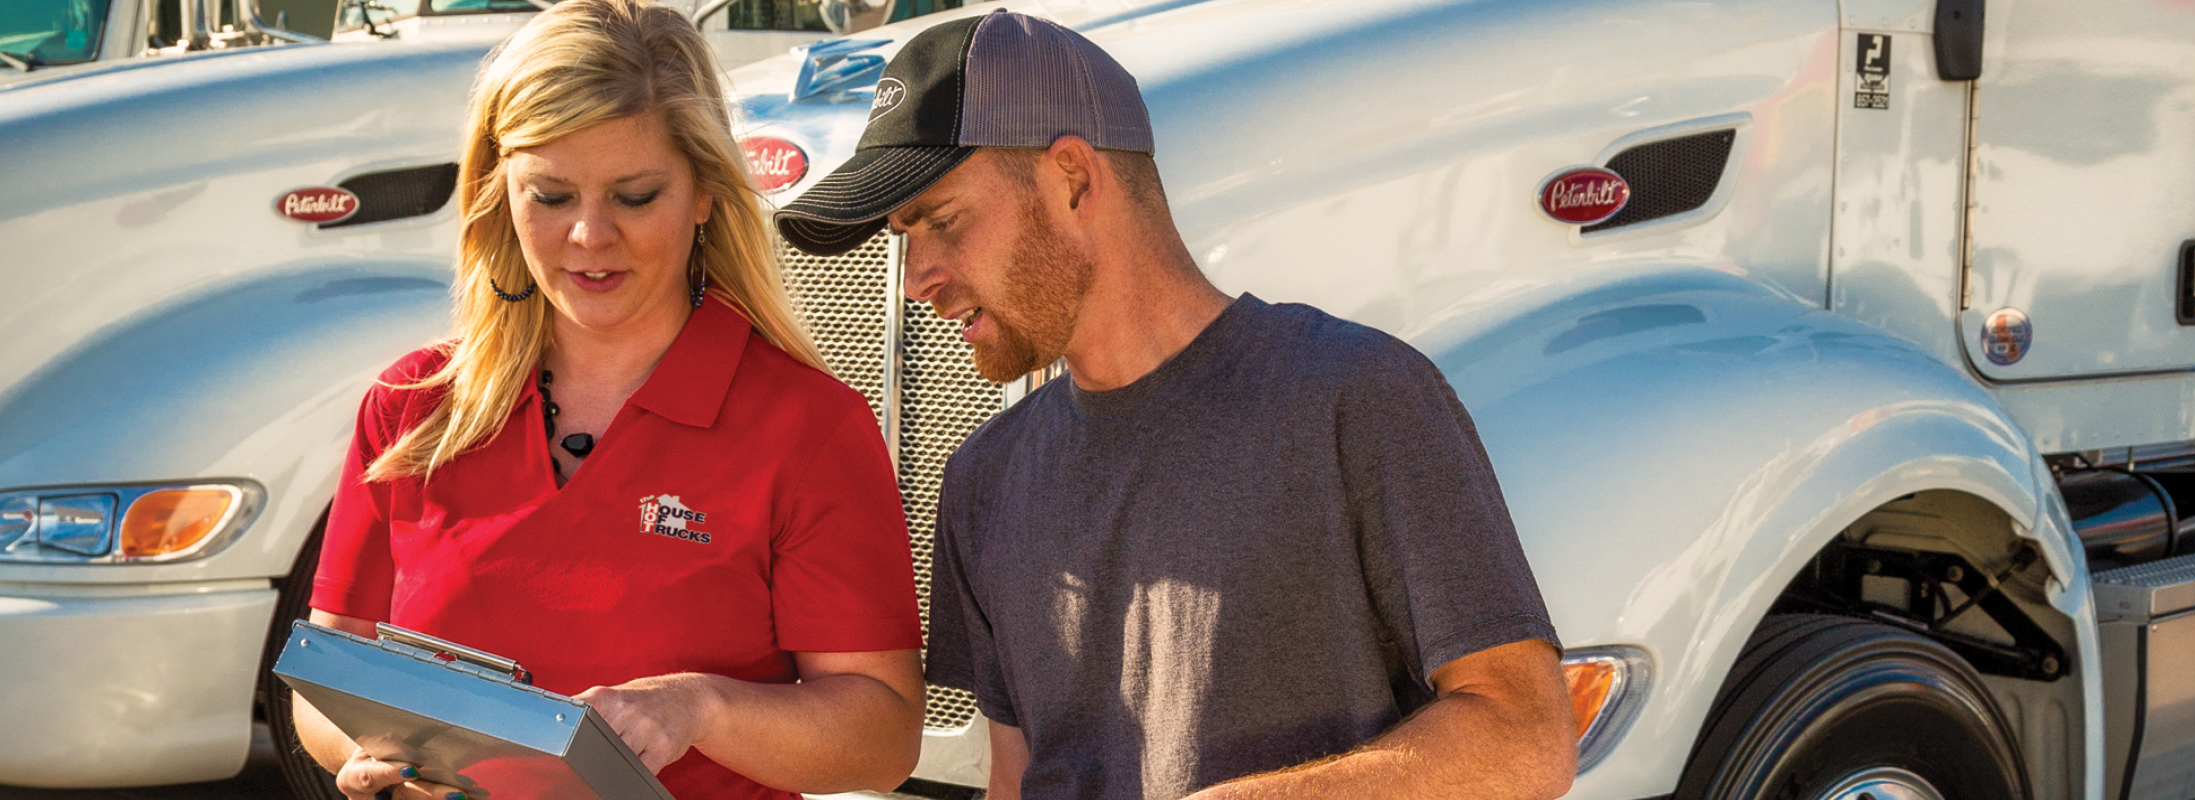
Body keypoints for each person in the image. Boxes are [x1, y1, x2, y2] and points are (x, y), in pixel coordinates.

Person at [775, 11, 1578, 800]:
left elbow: (1527, 738)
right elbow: (1016, 778)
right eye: (904, 239)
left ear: (1074, 180)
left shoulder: (1355, 397)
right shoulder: (985, 481)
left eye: (943, 222)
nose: (917, 280)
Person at [292, 1, 927, 797]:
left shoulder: (807, 426)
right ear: (497, 192)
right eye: (552, 197)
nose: (591, 235)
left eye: (634, 196)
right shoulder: (411, 408)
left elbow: (882, 737)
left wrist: (703, 708)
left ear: (705, 193)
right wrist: (368, 757)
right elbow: (325, 682)